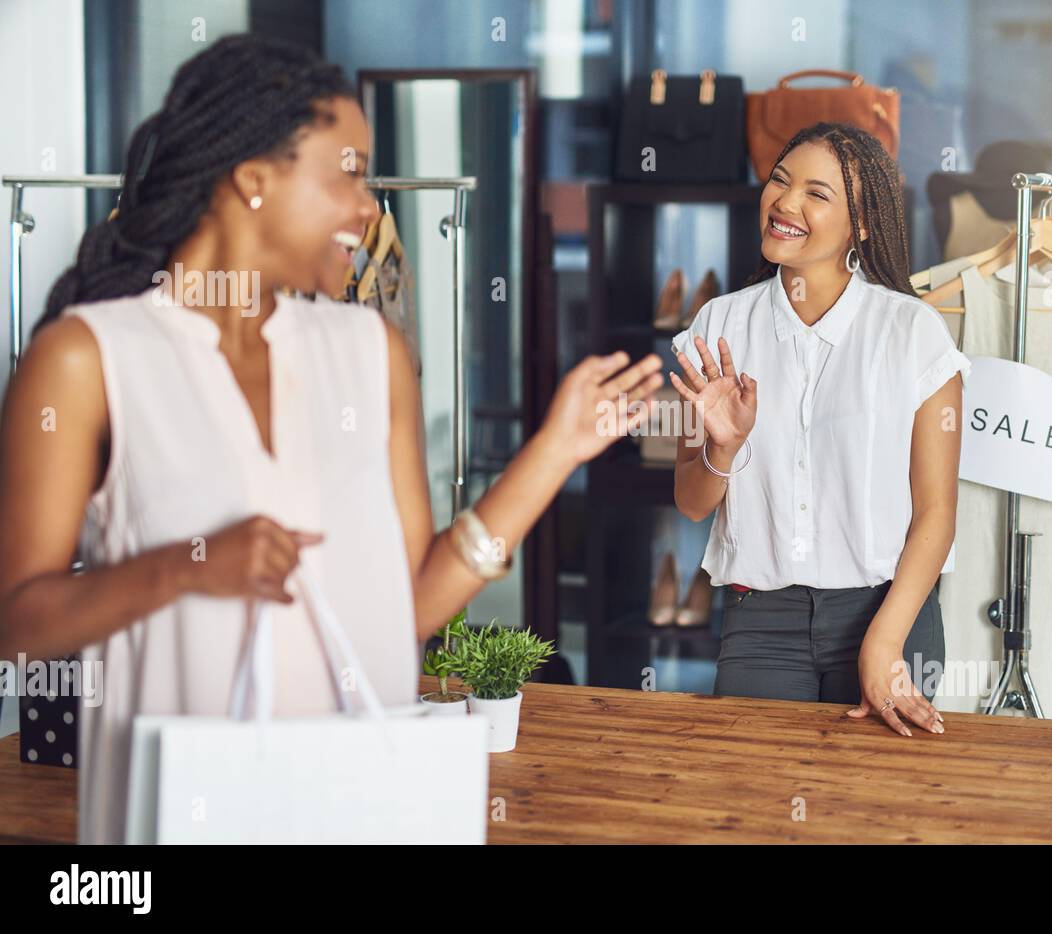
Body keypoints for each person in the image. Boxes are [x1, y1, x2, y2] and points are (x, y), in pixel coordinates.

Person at [0, 34, 661, 843]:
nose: (367, 208)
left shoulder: (368, 352)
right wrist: (184, 567)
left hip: (360, 803)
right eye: (347, 172)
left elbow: (410, 604)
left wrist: (559, 447)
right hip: (178, 813)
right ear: (252, 179)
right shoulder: (87, 356)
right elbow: (18, 620)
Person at [669, 122, 970, 738]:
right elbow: (691, 503)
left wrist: (883, 644)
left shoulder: (912, 332)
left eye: (816, 193)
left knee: (875, 818)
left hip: (889, 610)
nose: (785, 203)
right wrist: (723, 449)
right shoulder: (718, 323)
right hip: (761, 620)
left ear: (861, 223)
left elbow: (936, 515)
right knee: (758, 809)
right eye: (780, 181)